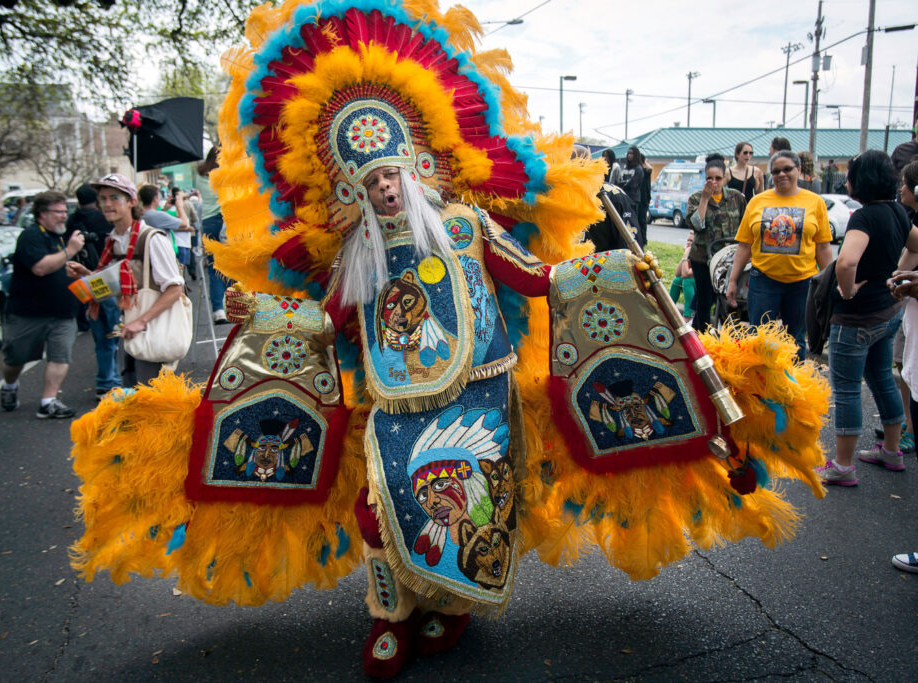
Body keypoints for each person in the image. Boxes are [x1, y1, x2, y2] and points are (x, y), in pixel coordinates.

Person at [67, 3, 832, 679]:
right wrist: (257, 310)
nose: (385, 188)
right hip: (393, 402)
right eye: (370, 184)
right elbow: (324, 323)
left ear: (417, 169)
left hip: (481, 391)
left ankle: (453, 605)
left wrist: (606, 267)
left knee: (474, 503)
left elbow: (539, 278)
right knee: (382, 505)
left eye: (392, 174)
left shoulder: (466, 226)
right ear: (355, 194)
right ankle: (390, 613)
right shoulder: (355, 260)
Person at [815, 151, 918, 486]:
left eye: (851, 174)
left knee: (846, 390)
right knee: (882, 379)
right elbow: (916, 243)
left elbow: (846, 263)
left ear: (860, 181)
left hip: (856, 319)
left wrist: (846, 292)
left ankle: (843, 466)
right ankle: (891, 451)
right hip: (888, 313)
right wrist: (898, 272)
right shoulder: (898, 212)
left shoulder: (864, 217)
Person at [726, 150, 834, 360]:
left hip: (802, 282)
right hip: (763, 281)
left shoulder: (815, 202)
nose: (781, 174)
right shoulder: (757, 202)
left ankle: (790, 389)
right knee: (759, 339)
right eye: (776, 171)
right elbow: (744, 246)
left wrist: (829, 282)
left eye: (787, 169)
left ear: (799, 170)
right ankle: (763, 389)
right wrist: (732, 280)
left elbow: (822, 247)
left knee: (796, 340)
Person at [87, 174, 185, 386]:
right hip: (129, 331)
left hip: (153, 332)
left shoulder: (152, 239)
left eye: (114, 197)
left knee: (155, 403)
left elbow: (175, 288)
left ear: (132, 201)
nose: (107, 204)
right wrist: (85, 277)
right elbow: (113, 287)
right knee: (135, 398)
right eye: (102, 199)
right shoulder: (113, 241)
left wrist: (141, 321)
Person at [0, 190, 86, 418]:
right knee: (15, 359)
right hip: (28, 313)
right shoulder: (31, 236)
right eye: (57, 212)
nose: (63, 216)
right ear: (41, 214)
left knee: (60, 355)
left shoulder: (58, 237)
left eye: (64, 211)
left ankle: (48, 401)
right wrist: (70, 251)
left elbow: (58, 266)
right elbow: (40, 267)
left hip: (63, 312)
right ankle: (9, 385)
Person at [886, 159, 918, 572]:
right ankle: (899, 439)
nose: (901, 192)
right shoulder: (904, 217)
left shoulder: (876, 215)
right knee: (888, 375)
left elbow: (843, 263)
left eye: (906, 185)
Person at [67, 184, 120, 396]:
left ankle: (106, 380)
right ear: (97, 200)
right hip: (107, 280)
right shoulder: (104, 219)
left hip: (85, 281)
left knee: (101, 334)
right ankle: (109, 381)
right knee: (113, 332)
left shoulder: (72, 222)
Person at [687, 158, 747, 331]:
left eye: (718, 178)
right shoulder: (696, 198)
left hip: (729, 259)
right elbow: (696, 225)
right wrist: (705, 199)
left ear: (724, 177)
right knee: (705, 299)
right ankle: (703, 337)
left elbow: (745, 225)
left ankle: (721, 334)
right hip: (703, 258)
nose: (713, 182)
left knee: (727, 300)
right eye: (709, 178)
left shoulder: (736, 198)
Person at [196, 145, 229, 323]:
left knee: (213, 266)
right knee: (232, 265)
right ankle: (234, 306)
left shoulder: (201, 174)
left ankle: (218, 310)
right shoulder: (226, 173)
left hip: (208, 221)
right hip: (227, 220)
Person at [137, 184, 194, 269]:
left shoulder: (141, 215)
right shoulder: (158, 215)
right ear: (155, 198)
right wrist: (180, 206)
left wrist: (164, 209)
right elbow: (184, 223)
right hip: (165, 255)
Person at [615, 146, 646, 245]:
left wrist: (623, 185)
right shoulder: (625, 168)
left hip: (633, 199)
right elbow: (619, 181)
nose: (629, 156)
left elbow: (634, 184)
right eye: (628, 153)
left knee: (632, 220)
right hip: (624, 198)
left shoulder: (639, 169)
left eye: (631, 153)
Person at [669, 233, 696, 321]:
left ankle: (688, 315)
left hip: (702, 284)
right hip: (691, 281)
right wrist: (686, 255)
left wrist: (686, 254)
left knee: (686, 281)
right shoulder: (689, 254)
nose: (688, 243)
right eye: (688, 240)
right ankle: (669, 308)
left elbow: (685, 274)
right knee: (677, 280)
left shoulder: (699, 256)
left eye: (691, 241)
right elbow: (677, 273)